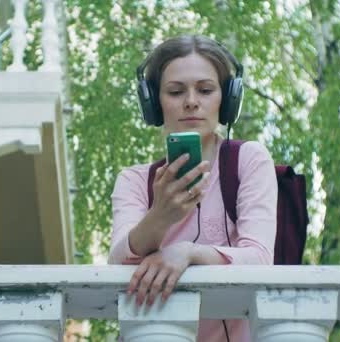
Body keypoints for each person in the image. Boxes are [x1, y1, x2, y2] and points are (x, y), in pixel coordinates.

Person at [108, 34, 278, 341]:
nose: (191, 101)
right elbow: (118, 264)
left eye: (205, 89)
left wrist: (188, 253)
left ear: (226, 101)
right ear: (154, 104)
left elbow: (259, 258)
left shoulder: (248, 160)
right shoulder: (134, 180)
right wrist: (160, 216)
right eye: (175, 91)